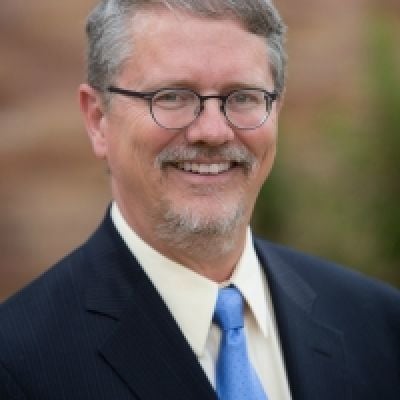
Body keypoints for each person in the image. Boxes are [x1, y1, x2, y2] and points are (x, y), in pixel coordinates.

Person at [0, 0, 399, 399]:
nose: (212, 131)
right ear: (98, 120)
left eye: (242, 96)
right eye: (172, 96)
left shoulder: (379, 325)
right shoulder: (17, 363)